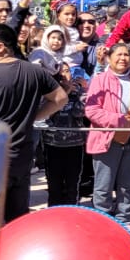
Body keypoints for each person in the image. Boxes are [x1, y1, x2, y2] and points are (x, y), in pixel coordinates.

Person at [0, 24, 67, 221]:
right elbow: (61, 98)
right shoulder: (34, 72)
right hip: (22, 156)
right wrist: (34, 116)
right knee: (17, 218)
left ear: (1, 46)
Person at [85, 42, 130, 229]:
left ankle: (124, 221)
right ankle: (102, 224)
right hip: (107, 139)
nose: (123, 58)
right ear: (109, 58)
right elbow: (91, 110)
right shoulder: (100, 79)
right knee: (103, 186)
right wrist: (119, 119)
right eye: (118, 55)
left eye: (126, 55)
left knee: (127, 185)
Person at [41, 62, 87, 207]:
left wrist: (81, 91)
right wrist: (63, 94)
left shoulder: (78, 91)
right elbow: (47, 114)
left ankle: (71, 213)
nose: (64, 75)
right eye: (60, 72)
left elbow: (79, 112)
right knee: (54, 184)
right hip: (53, 143)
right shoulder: (49, 93)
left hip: (75, 143)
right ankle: (53, 215)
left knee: (72, 183)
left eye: (67, 71)